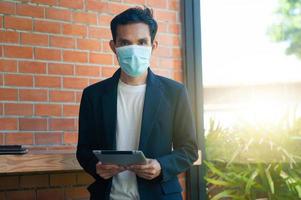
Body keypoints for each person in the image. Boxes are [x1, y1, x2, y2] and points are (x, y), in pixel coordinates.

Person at [76, 6, 198, 200]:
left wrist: (161, 166)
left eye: (142, 42)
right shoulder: (93, 95)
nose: (134, 50)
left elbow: (189, 150)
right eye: (125, 43)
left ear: (153, 46)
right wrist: (96, 167)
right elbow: (83, 150)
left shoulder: (175, 93)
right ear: (113, 47)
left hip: (160, 195)